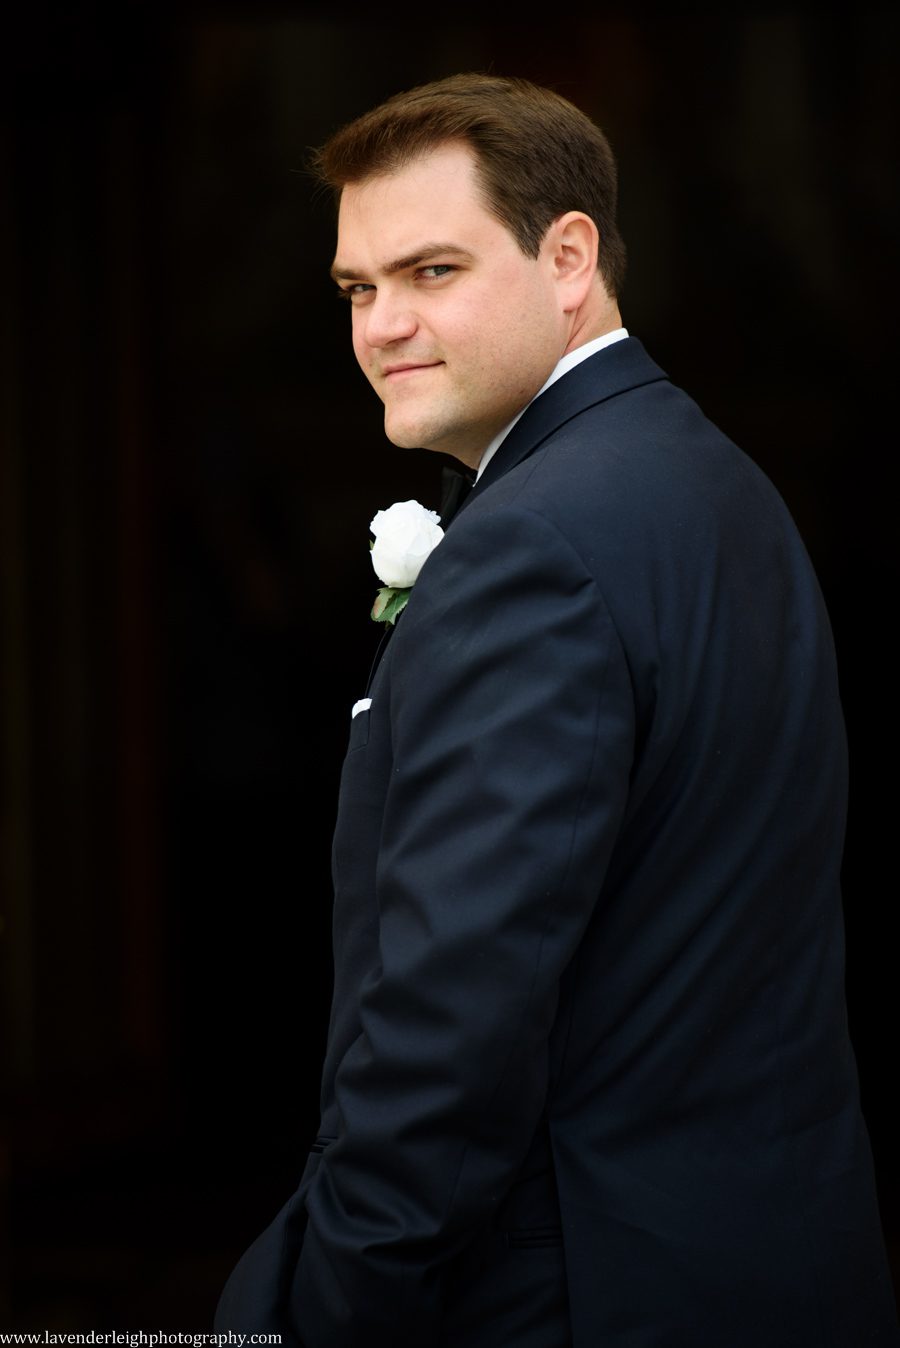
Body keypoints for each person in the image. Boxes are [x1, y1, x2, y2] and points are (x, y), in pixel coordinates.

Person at [214, 73, 898, 1347]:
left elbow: (453, 1026)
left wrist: (327, 1306)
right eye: (359, 289)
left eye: (430, 271)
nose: (380, 326)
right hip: (764, 1256)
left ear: (568, 255)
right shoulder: (711, 480)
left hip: (576, 1288)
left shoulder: (533, 546)